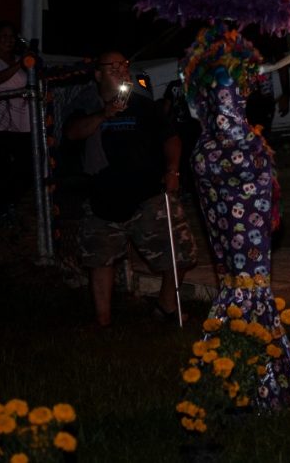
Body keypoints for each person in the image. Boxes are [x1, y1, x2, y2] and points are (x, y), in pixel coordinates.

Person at [137, 0, 290, 409]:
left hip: (207, 162)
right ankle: (256, 375)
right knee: (251, 272)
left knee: (230, 271)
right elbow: (283, 63)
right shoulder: (237, 57)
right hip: (241, 160)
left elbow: (195, 114)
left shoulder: (192, 60)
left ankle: (224, 360)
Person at [63, 51, 197, 327]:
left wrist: (172, 171)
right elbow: (72, 133)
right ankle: (103, 322)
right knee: (100, 259)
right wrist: (104, 114)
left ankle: (166, 306)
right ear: (98, 74)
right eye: (113, 67)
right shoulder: (86, 103)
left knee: (180, 253)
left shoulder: (142, 105)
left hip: (147, 196)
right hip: (103, 197)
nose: (122, 71)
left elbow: (171, 138)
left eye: (124, 66)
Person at [0, 22, 32, 231]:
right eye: (3, 36)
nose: (8, 40)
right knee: (3, 169)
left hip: (23, 123)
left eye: (11, 36)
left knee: (26, 167)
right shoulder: (18, 63)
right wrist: (20, 66)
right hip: (1, 124)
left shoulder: (21, 60)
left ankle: (10, 204)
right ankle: (4, 210)